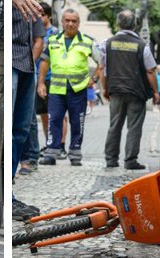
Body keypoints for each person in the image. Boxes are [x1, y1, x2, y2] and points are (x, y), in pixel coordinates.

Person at [37, 8, 101, 167]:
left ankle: (75, 154)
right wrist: (41, 83)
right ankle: (52, 152)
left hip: (78, 90)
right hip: (56, 90)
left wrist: (94, 78)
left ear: (78, 23)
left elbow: (102, 61)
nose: (71, 23)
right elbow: (44, 62)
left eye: (74, 21)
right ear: (63, 22)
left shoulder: (87, 41)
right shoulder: (52, 40)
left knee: (77, 122)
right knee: (54, 121)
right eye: (68, 20)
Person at [99, 9, 159, 170]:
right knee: (134, 127)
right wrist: (156, 91)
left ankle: (111, 160)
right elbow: (150, 71)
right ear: (136, 25)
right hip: (136, 92)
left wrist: (104, 88)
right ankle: (130, 160)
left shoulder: (107, 43)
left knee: (114, 125)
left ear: (117, 24)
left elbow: (102, 68)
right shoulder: (142, 46)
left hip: (116, 90)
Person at [11, 0, 44, 220]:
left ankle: (10, 196)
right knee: (10, 130)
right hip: (10, 61)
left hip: (26, 66)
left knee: (21, 131)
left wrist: (30, 63)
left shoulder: (34, 5)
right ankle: (7, 197)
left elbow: (39, 39)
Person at [19, 1, 57, 176]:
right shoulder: (26, 20)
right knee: (38, 116)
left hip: (43, 76)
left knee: (42, 117)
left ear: (48, 16)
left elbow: (42, 50)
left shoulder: (54, 33)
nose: (40, 17)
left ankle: (37, 154)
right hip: (35, 74)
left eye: (43, 14)